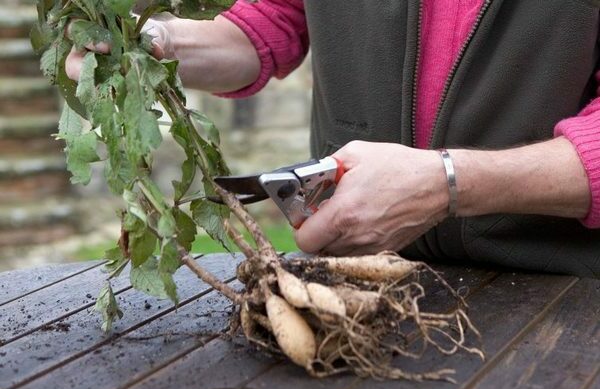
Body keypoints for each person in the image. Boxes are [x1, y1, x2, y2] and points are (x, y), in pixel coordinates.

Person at [66, 0, 600, 277]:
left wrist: (449, 183)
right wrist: (156, 43)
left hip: (563, 287)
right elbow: (271, 21)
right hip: (363, 278)